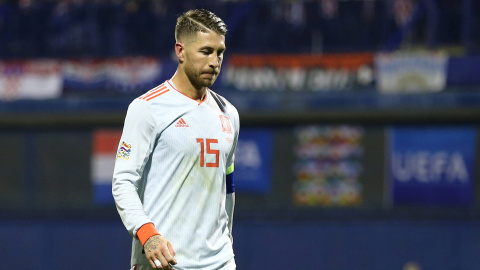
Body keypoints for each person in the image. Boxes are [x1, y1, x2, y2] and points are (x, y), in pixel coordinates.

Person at [112, 9, 239, 270]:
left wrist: (227, 243)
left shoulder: (229, 114)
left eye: (220, 52)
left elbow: (227, 187)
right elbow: (123, 181)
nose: (215, 61)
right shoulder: (147, 108)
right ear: (180, 51)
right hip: (163, 262)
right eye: (206, 52)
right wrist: (148, 235)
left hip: (220, 262)